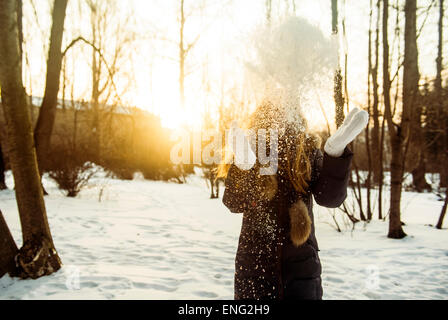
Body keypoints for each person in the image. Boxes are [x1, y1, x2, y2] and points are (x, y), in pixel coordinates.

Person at [219, 102, 369, 300]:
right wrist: (244, 167)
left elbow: (330, 199)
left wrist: (335, 154)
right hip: (254, 270)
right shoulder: (249, 149)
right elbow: (233, 202)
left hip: (302, 271)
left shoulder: (308, 151)